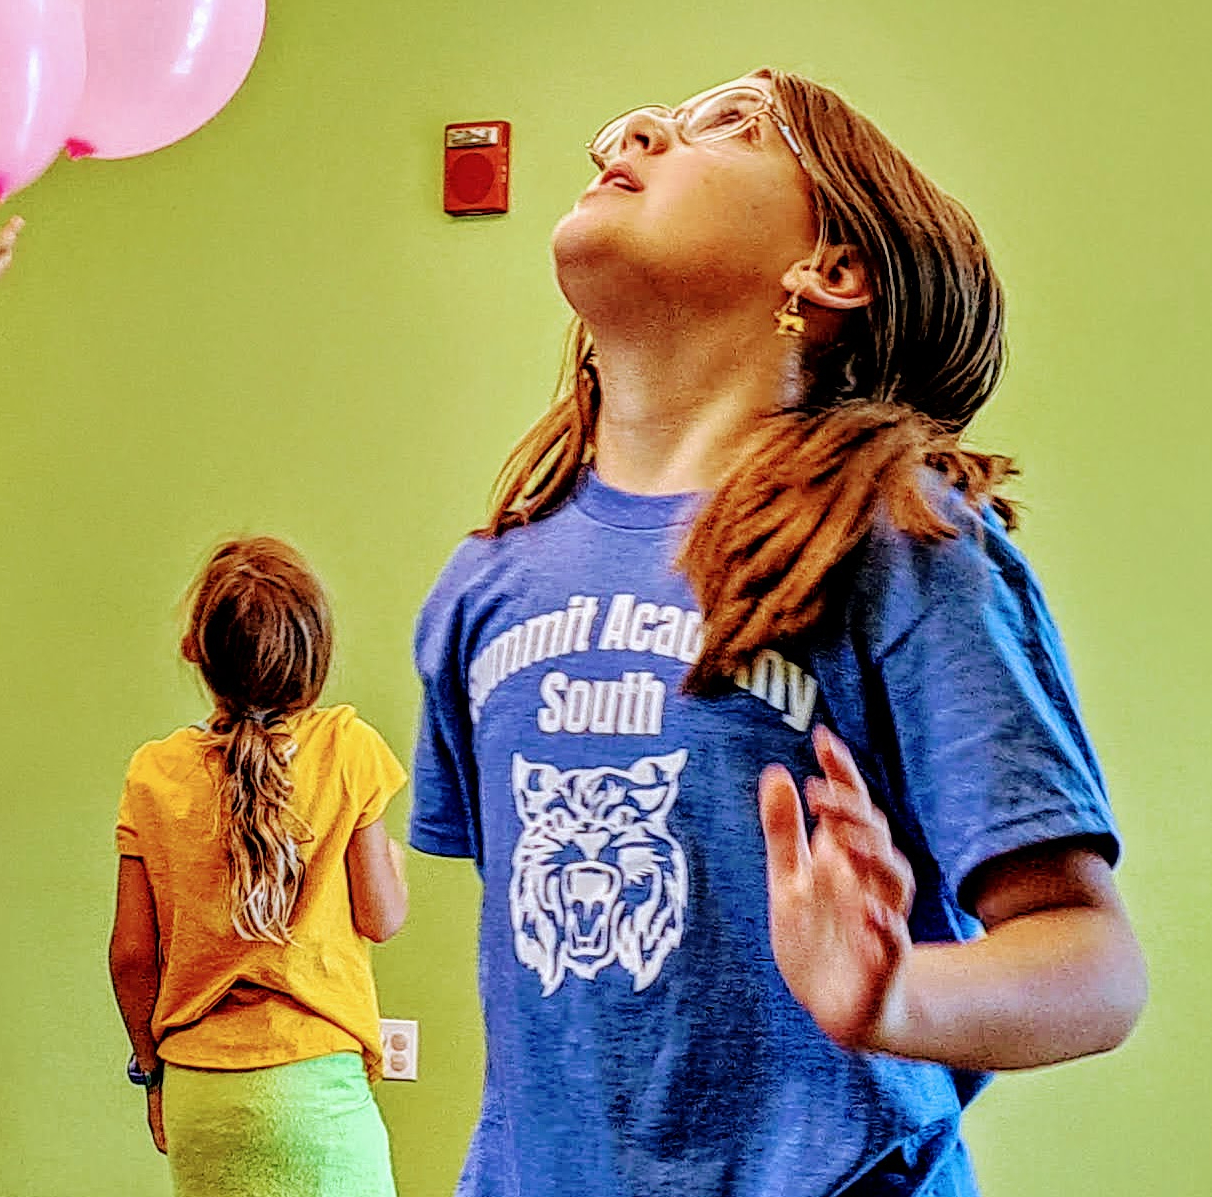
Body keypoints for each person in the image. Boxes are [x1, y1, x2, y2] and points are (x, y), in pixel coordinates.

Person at [408, 71, 1140, 1197]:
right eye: (646, 117)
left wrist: (895, 996)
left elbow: (1094, 966)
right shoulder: (483, 581)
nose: (638, 128)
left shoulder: (899, 536)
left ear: (829, 269)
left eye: (732, 126)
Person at [111, 537, 411, 1197]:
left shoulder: (153, 773)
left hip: (198, 1095)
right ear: (315, 654)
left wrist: (153, 1075)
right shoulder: (349, 748)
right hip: (315, 1092)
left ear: (197, 648)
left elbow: (133, 956)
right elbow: (383, 917)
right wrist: (388, 858)